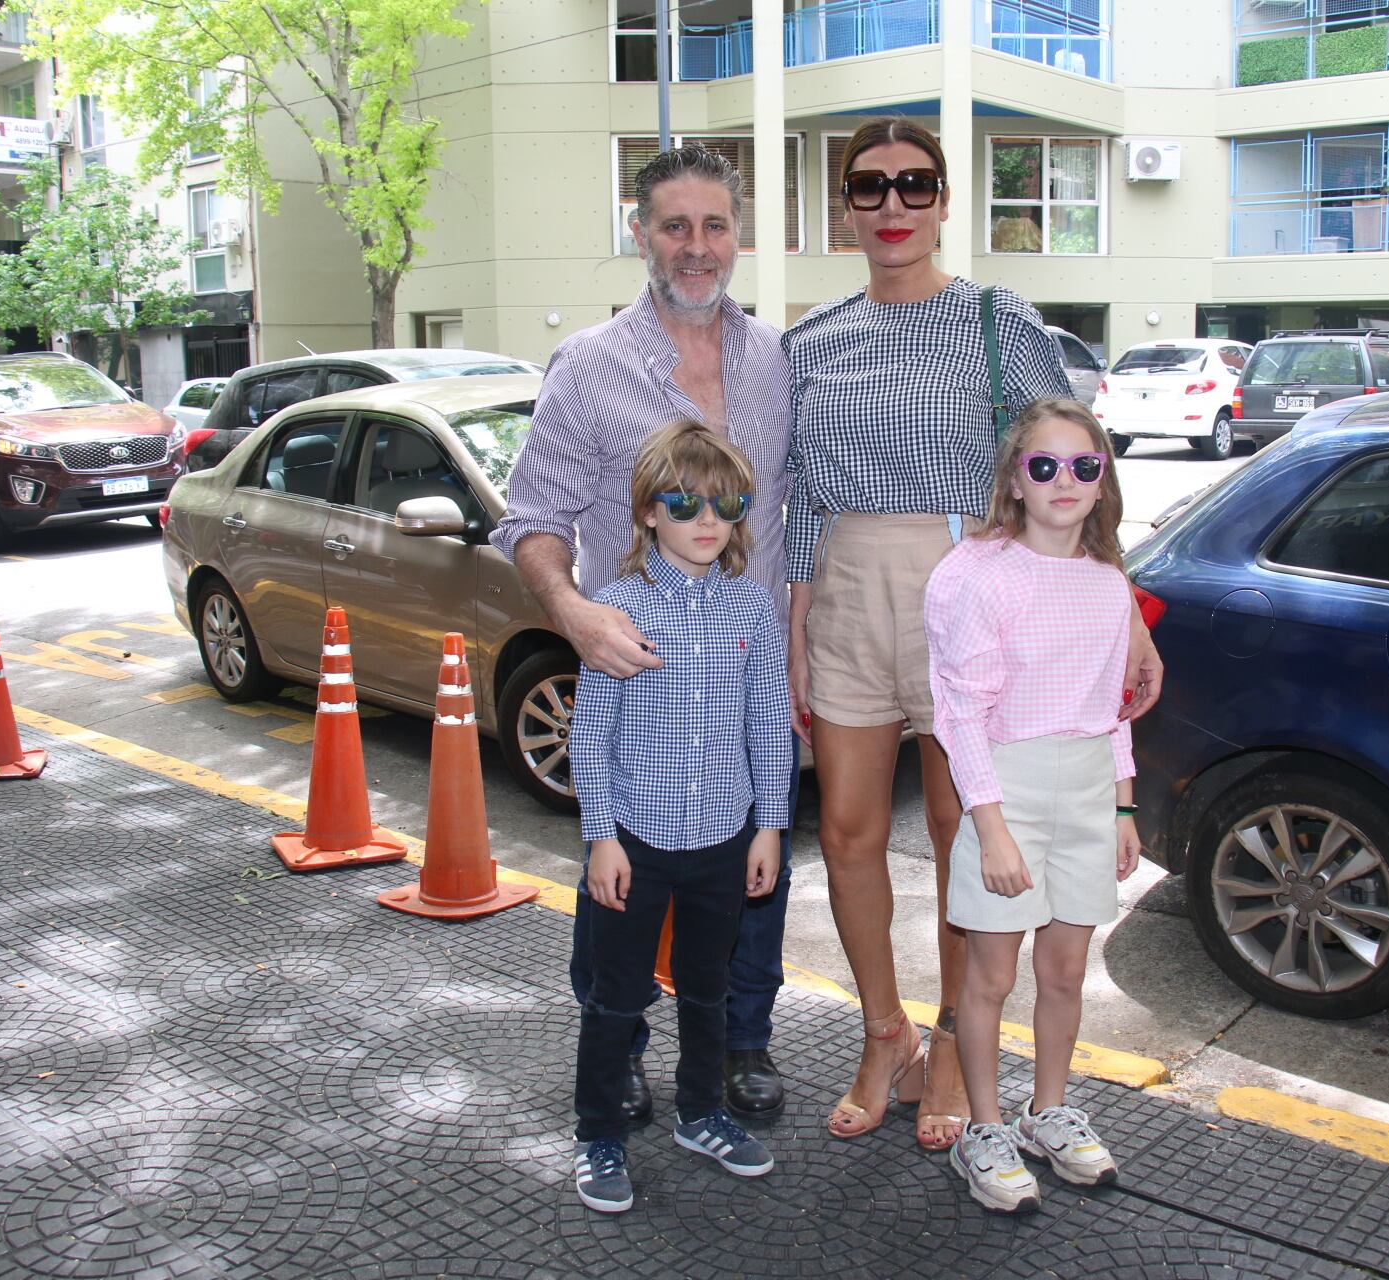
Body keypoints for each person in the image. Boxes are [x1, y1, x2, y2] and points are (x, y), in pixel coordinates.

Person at [784, 117, 1160, 1152]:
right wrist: (795, 621)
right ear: (846, 205)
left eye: (915, 185)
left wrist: (1123, 609)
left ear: (946, 200)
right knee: (850, 831)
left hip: (976, 588)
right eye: (870, 188)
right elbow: (796, 500)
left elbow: (1082, 470)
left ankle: (956, 1042)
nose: (893, 206)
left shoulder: (999, 319)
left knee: (963, 836)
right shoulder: (809, 343)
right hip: (851, 586)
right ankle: (882, 1033)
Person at [493, 145, 795, 1123]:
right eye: (676, 226)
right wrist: (574, 613)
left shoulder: (777, 361)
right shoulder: (588, 367)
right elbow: (531, 517)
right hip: (639, 675)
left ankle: (740, 1039)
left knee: (751, 860)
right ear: (641, 233)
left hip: (748, 660)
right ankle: (615, 1039)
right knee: (618, 871)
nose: (697, 247)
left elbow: (794, 510)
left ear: (737, 235)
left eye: (715, 226)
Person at [565, 421, 793, 1213]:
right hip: (636, 839)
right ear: (647, 513)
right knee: (617, 994)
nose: (707, 518)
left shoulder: (753, 608)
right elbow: (589, 735)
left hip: (725, 840)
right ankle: (598, 1132)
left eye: (726, 503)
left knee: (708, 989)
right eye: (684, 501)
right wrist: (601, 838)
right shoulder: (617, 607)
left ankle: (702, 1114)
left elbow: (768, 722)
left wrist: (769, 826)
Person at [923, 399, 1143, 1214]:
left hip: (1088, 783)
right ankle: (984, 1128)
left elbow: (1110, 704)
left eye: (1084, 466)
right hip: (1004, 784)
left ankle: (1048, 1110)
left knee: (1065, 969)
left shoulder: (1107, 580)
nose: (1065, 481)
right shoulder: (975, 573)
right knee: (991, 973)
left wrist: (1122, 808)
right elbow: (959, 713)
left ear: (1101, 480)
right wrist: (991, 828)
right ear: (1015, 479)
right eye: (1044, 465)